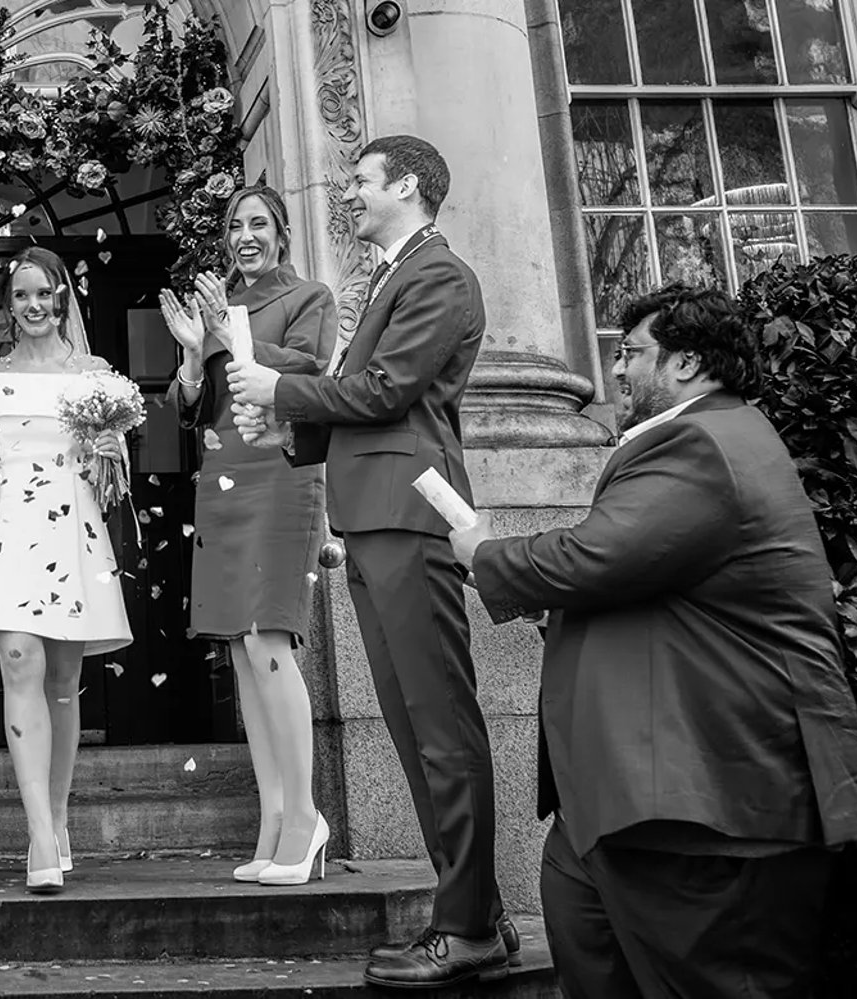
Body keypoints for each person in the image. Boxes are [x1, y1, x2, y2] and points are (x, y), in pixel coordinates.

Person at [449, 285, 857, 999]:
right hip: (627, 807)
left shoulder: (702, 441)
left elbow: (598, 555)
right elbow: (658, 580)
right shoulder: (709, 437)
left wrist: (486, 554)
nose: (616, 368)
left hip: (705, 808)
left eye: (631, 352)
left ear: (687, 362)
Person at [227, 135, 515, 988]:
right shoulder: (392, 276)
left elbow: (388, 390)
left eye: (362, 180)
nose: (347, 192)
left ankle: (468, 926)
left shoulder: (439, 275)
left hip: (408, 515)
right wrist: (288, 431)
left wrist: (278, 389)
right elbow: (369, 401)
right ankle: (476, 911)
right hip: (371, 516)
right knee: (414, 728)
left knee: (440, 726)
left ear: (410, 186)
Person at [158, 185, 335, 887]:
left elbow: (307, 369)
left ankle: (306, 817)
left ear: (283, 233)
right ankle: (273, 817)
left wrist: (230, 335)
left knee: (268, 640)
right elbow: (192, 405)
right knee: (239, 649)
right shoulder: (216, 306)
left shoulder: (310, 297)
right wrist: (191, 355)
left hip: (282, 471)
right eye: (236, 225)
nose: (246, 236)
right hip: (222, 477)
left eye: (259, 223)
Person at [0, 248, 132, 894]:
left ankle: (56, 815)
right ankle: (40, 837)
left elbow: (113, 478)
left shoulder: (94, 375)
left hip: (71, 524)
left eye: (43, 293)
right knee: (19, 659)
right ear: (10, 304)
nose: (33, 306)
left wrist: (111, 451)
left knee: (63, 678)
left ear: (61, 298)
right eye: (21, 295)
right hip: (5, 527)